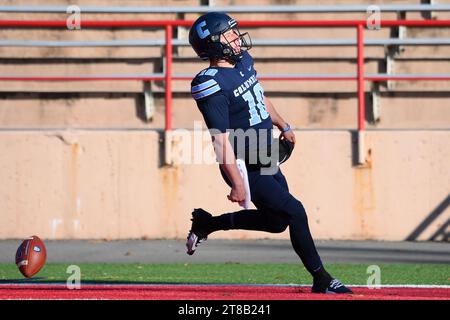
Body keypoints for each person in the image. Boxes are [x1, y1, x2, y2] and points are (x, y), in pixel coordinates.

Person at [186, 12, 352, 294]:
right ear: (213, 43)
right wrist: (237, 182)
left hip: (265, 156)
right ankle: (322, 279)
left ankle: (208, 224)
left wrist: (283, 124)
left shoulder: (243, 62)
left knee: (277, 222)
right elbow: (220, 140)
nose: (237, 37)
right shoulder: (210, 83)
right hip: (244, 164)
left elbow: (259, 98)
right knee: (296, 212)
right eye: (229, 34)